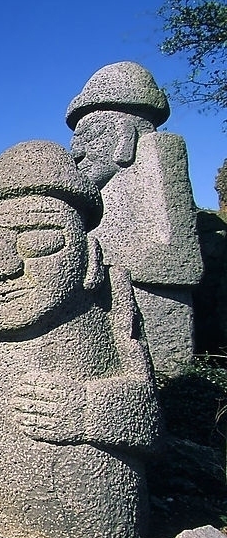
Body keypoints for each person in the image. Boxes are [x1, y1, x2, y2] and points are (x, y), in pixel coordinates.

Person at [0, 140, 162, 538]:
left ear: (89, 258)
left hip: (83, 515)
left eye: (38, 241)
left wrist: (86, 409)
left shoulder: (109, 297)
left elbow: (147, 418)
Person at [67, 61, 202, 375]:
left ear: (124, 135)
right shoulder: (93, 195)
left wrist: (104, 258)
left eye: (91, 137)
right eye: (75, 141)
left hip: (155, 332)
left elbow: (182, 261)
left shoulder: (158, 153)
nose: (77, 153)